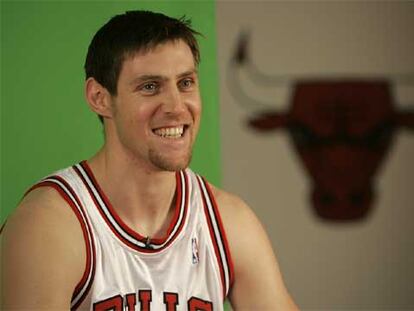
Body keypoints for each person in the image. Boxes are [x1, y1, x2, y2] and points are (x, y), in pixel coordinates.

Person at [1, 10, 298, 310]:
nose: (176, 107)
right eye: (150, 86)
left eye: (185, 83)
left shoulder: (229, 223)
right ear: (99, 98)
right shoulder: (48, 227)